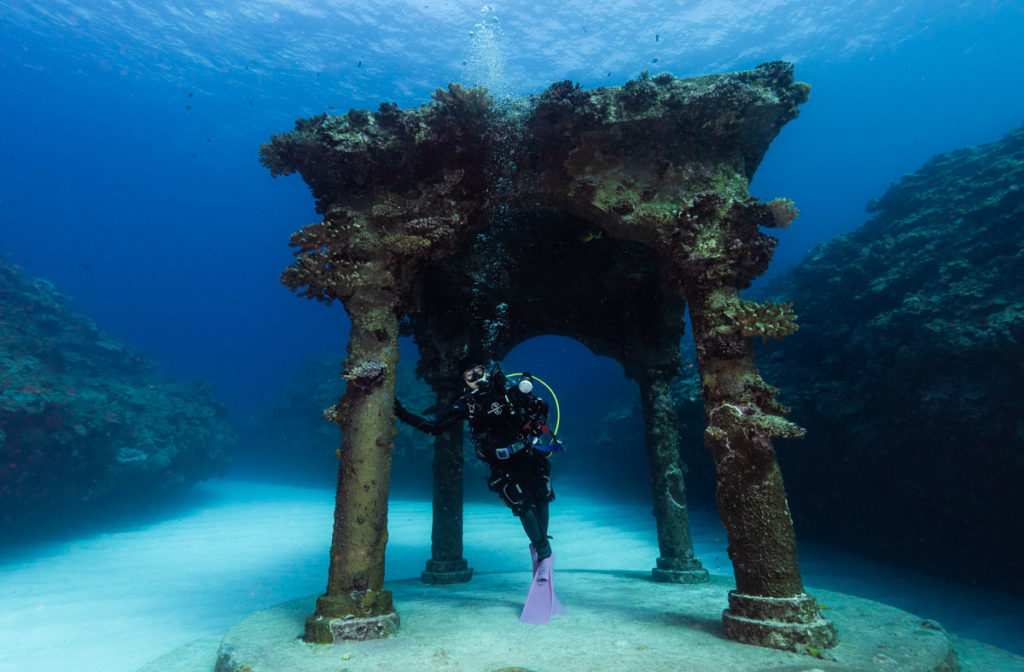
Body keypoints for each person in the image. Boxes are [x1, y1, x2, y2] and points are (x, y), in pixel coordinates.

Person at [394, 362, 565, 623]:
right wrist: (402, 413)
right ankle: (543, 552)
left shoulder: (508, 390)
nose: (476, 376)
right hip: (502, 464)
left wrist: (535, 420)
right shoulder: (467, 405)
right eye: (469, 374)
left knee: (541, 499)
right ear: (463, 380)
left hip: (530, 456)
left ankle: (543, 552)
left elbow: (541, 407)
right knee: (521, 505)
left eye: (479, 370)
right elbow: (435, 428)